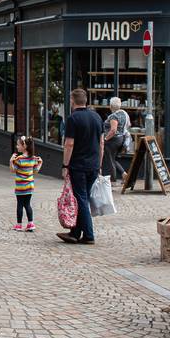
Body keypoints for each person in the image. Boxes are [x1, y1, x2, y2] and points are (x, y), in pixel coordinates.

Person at [60, 88, 104, 245]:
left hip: (78, 165)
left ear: (73, 101)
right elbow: (101, 143)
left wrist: (65, 165)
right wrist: (99, 164)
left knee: (81, 199)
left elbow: (69, 143)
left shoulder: (73, 119)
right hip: (93, 165)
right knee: (82, 198)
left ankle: (89, 235)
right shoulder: (97, 117)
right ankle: (74, 232)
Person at [10, 135, 43, 232]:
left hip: (20, 187)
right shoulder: (33, 158)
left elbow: (13, 170)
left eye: (18, 145)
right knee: (27, 204)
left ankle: (19, 225)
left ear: (24, 146)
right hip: (29, 186)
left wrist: (11, 161)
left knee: (20, 205)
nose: (17, 147)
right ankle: (30, 223)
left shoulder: (19, 159)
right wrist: (40, 163)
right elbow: (35, 171)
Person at [103, 97, 131, 181]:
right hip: (120, 139)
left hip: (112, 140)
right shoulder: (124, 113)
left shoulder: (113, 116)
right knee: (113, 159)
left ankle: (113, 180)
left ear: (111, 106)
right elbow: (129, 124)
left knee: (110, 160)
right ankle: (124, 174)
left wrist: (105, 138)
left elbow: (113, 130)